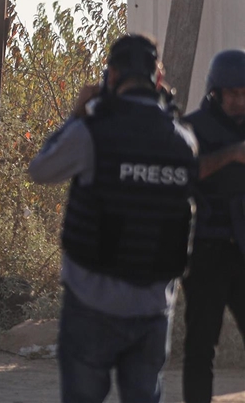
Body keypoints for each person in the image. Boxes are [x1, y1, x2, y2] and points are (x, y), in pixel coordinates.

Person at [27, 33, 199, 403]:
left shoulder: (91, 132)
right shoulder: (183, 141)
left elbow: (40, 169)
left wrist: (76, 114)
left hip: (92, 306)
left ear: (112, 75)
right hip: (153, 310)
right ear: (157, 80)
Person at [181, 48, 245, 403]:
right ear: (216, 93)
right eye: (233, 94)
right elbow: (184, 174)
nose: (239, 101)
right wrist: (232, 155)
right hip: (206, 250)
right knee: (201, 347)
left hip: (243, 248)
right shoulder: (192, 129)